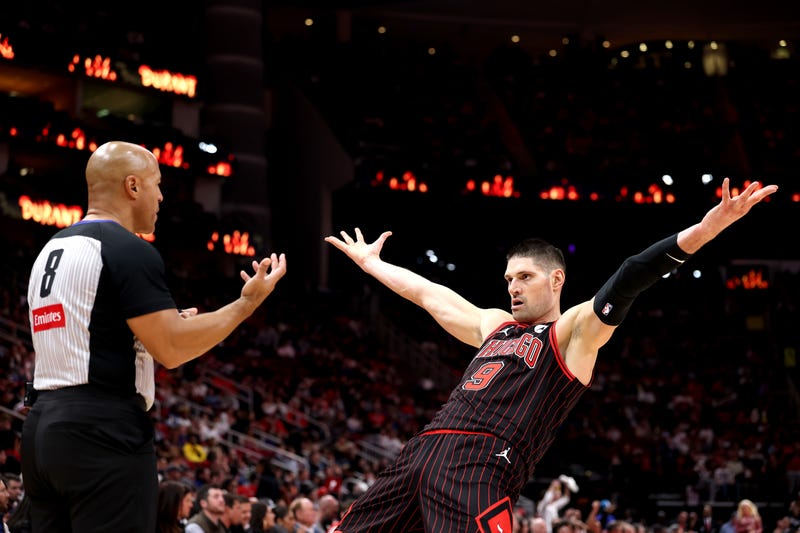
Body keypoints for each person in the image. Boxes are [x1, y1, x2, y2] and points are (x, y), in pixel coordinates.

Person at [324, 178, 778, 533]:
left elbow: (631, 273)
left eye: (524, 276)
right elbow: (429, 294)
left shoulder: (572, 334)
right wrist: (373, 264)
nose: (513, 287)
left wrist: (708, 227)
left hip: (480, 464)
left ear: (556, 280)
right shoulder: (495, 324)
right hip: (420, 451)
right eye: (508, 279)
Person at [22, 140, 287, 533]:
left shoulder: (51, 248)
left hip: (42, 429)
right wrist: (244, 305)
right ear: (133, 187)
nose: (161, 196)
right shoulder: (128, 249)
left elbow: (91, 330)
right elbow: (173, 348)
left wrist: (151, 329)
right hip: (103, 431)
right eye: (157, 184)